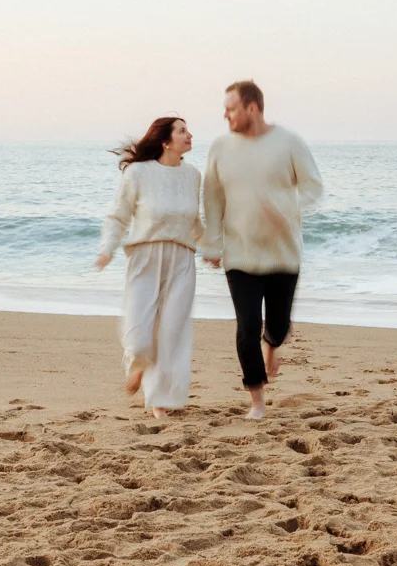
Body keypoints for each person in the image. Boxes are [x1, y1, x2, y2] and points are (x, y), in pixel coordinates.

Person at [200, 81, 322, 421]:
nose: (225, 114)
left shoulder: (289, 142)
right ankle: (257, 401)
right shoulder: (220, 148)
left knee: (278, 326)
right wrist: (211, 243)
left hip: (284, 255)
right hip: (240, 256)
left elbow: (314, 187)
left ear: (252, 108)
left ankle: (273, 343)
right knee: (246, 328)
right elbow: (212, 198)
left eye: (231, 108)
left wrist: (289, 212)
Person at [95, 116, 202, 418]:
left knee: (172, 334)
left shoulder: (193, 175)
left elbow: (193, 222)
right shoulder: (138, 173)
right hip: (145, 258)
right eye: (183, 131)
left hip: (182, 260)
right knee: (140, 334)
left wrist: (215, 249)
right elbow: (118, 216)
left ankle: (160, 400)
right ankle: (138, 364)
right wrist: (107, 249)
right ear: (166, 141)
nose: (190, 134)